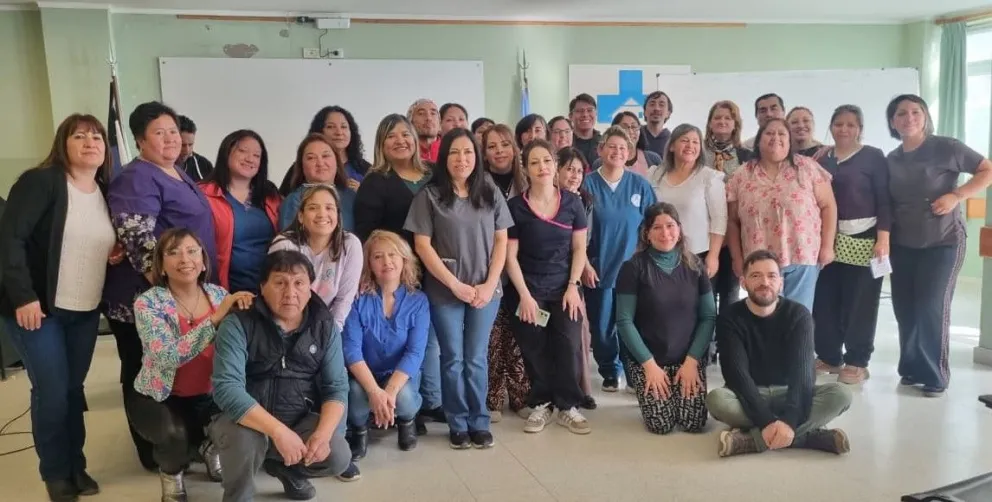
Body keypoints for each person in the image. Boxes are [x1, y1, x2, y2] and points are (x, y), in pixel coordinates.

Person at [0, 114, 118, 502]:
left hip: (84, 310)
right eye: (79, 136)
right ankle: (55, 472)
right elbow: (10, 240)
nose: (90, 142)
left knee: (71, 389)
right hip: (39, 308)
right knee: (51, 392)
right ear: (62, 144)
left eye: (96, 136)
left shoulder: (103, 190)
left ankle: (75, 465)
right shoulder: (42, 181)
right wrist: (23, 296)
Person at [106, 101, 218, 471]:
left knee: (179, 370)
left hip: (184, 293)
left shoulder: (175, 171)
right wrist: (177, 292)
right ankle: (153, 448)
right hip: (145, 298)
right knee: (144, 371)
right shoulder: (137, 177)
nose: (170, 139)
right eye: (159, 132)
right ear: (140, 140)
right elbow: (139, 242)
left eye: (173, 131)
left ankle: (186, 439)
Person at [210, 251, 359, 502]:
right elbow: (227, 388)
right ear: (262, 287)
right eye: (280, 283)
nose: (290, 292)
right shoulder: (238, 323)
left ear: (310, 289)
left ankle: (287, 470)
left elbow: (336, 387)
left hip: (299, 418)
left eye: (299, 283)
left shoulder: (324, 326)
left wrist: (322, 435)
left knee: (339, 455)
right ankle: (238, 496)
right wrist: (279, 432)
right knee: (243, 440)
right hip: (245, 423)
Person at [404, 128, 513, 450]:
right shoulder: (429, 196)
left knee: (476, 357)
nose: (461, 159)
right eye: (454, 152)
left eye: (468, 152)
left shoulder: (489, 190)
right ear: (444, 157)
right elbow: (422, 246)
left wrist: (490, 284)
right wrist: (454, 284)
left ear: (476, 157)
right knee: (452, 358)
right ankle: (458, 422)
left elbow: (502, 240)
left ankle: (479, 421)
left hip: (485, 289)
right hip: (445, 290)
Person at [131, 229, 254, 501]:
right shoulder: (147, 303)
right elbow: (167, 356)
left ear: (203, 261)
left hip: (210, 395)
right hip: (161, 396)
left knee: (240, 422)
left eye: (191, 251)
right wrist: (214, 320)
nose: (184, 259)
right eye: (173, 252)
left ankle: (210, 448)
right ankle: (171, 473)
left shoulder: (219, 295)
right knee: (174, 437)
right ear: (161, 266)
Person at [885, 94, 992, 397]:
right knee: (905, 309)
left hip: (943, 241)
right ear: (893, 122)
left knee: (931, 306)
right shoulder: (892, 158)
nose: (909, 118)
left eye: (915, 112)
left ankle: (935, 375)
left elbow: (987, 170)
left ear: (925, 117)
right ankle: (911, 368)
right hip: (903, 244)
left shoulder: (947, 147)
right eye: (901, 113)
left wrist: (957, 196)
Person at [706, 250, 854, 457]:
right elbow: (736, 375)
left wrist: (790, 421)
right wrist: (766, 421)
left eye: (771, 276)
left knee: (841, 394)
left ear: (781, 283)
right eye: (755, 276)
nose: (764, 282)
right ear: (743, 283)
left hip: (790, 393)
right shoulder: (730, 317)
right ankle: (808, 437)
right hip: (749, 394)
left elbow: (803, 374)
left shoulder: (798, 315)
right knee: (716, 400)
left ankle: (752, 441)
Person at [353, 114, 444, 428]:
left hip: (437, 267)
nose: (400, 141)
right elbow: (366, 234)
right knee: (407, 339)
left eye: (405, 134)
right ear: (381, 144)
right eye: (391, 136)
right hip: (394, 273)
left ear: (415, 138)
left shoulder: (434, 173)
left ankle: (428, 401)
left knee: (431, 339)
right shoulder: (375, 182)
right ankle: (407, 405)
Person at [505, 139, 591, 435]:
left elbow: (579, 249)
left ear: (555, 165)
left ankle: (568, 405)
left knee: (568, 345)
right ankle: (541, 403)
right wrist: (525, 296)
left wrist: (573, 286)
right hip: (528, 291)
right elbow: (510, 257)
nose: (542, 167)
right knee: (535, 347)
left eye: (547, 161)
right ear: (525, 169)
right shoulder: (515, 207)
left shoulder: (573, 203)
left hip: (565, 289)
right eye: (534, 162)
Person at [616, 203, 716, 434]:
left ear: (679, 229)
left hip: (687, 359)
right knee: (661, 425)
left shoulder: (695, 265)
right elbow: (624, 321)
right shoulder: (633, 268)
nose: (665, 233)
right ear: (647, 234)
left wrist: (692, 361)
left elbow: (708, 316)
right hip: (650, 360)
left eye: (670, 226)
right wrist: (649, 365)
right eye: (657, 227)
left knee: (693, 423)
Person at [812, 105, 892, 385]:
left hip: (865, 238)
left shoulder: (873, 156)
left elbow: (885, 200)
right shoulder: (821, 158)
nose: (844, 129)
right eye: (838, 124)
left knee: (861, 304)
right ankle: (829, 356)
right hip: (828, 239)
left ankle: (857, 360)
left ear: (860, 129)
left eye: (850, 124)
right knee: (826, 301)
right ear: (830, 127)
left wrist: (883, 238)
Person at [726, 118, 837, 312]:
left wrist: (827, 246)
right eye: (769, 133)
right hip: (759, 263)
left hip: (802, 257)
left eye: (781, 134)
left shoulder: (807, 167)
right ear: (759, 140)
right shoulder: (741, 175)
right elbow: (732, 221)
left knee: (798, 316)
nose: (775, 137)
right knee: (765, 317)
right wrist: (736, 258)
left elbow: (828, 206)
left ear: (789, 141)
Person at [582, 126, 658, 392]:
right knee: (602, 326)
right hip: (598, 267)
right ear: (600, 150)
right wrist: (584, 264)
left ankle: (633, 372)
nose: (617, 152)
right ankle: (610, 370)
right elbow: (575, 229)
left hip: (632, 270)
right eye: (611, 146)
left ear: (629, 153)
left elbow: (653, 224)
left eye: (623, 148)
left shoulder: (640, 185)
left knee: (631, 324)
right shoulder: (587, 184)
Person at [342, 230, 429, 459]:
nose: (386, 262)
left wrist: (389, 392)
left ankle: (407, 421)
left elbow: (415, 352)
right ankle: (360, 431)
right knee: (355, 393)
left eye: (393, 254)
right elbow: (351, 350)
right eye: (378, 256)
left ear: (404, 259)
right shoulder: (357, 299)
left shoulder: (419, 301)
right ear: (369, 264)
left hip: (400, 375)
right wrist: (374, 391)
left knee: (405, 398)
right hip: (366, 374)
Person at [647, 124, 727, 300]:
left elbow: (719, 220)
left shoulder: (709, 177)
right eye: (684, 140)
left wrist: (713, 256)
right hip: (661, 254)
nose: (690, 146)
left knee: (699, 307)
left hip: (698, 255)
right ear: (672, 146)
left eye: (695, 142)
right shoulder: (654, 174)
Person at [269, 185, 362, 330]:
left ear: (338, 215)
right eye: (313, 208)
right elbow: (277, 297)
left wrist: (330, 335)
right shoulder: (284, 245)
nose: (322, 214)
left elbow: (344, 300)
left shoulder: (350, 245)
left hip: (327, 326)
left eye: (329, 208)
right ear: (301, 216)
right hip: (286, 325)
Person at [200, 130, 281, 294]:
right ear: (226, 152)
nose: (250, 159)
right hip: (225, 292)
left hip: (270, 291)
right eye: (243, 151)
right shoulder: (203, 194)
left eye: (257, 155)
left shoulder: (271, 196)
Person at [556, 147, 596, 409]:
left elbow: (581, 244)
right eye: (569, 169)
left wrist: (586, 266)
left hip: (574, 275)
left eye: (579, 171)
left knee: (580, 335)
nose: (574, 176)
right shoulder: (544, 200)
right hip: (547, 275)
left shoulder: (584, 201)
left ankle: (582, 390)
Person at [278, 106, 371, 193]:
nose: (339, 132)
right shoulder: (303, 166)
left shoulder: (365, 169)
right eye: (330, 127)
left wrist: (363, 193)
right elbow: (282, 199)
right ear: (319, 131)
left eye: (344, 127)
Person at [278, 134, 356, 233]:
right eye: (311, 158)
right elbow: (289, 239)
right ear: (301, 166)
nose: (320, 163)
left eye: (325, 156)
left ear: (337, 160)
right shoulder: (294, 201)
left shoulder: (351, 196)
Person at [592, 111, 663, 177]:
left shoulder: (653, 159)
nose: (630, 131)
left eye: (634, 127)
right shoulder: (600, 163)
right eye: (624, 127)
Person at [178, 115, 214, 182]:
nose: (187, 150)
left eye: (190, 144)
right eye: (182, 145)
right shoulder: (159, 166)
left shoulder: (204, 164)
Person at [569, 94, 602, 165]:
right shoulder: (565, 142)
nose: (585, 114)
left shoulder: (604, 143)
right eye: (580, 111)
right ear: (570, 116)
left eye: (590, 110)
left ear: (596, 113)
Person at [408, 98, 442, 164]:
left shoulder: (450, 149)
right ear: (410, 122)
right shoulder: (405, 151)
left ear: (440, 122)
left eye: (433, 113)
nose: (428, 118)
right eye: (421, 113)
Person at [641, 91, 673, 158]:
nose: (656, 108)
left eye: (661, 105)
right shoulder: (635, 135)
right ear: (644, 112)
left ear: (668, 113)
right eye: (652, 104)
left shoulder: (672, 140)